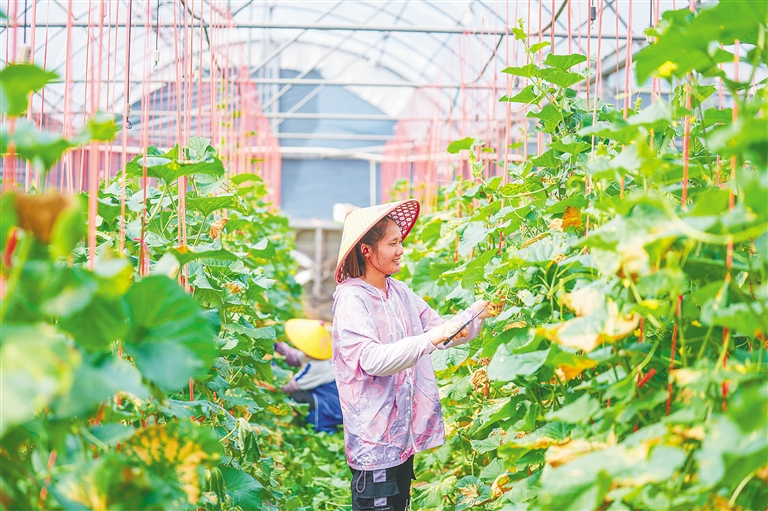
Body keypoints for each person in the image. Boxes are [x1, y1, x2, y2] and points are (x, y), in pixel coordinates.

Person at [331, 199, 493, 511]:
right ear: (366, 251)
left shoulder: (400, 292)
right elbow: (371, 360)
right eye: (392, 243)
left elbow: (445, 333)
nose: (400, 250)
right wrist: (430, 338)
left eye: (400, 242)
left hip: (402, 438)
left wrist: (477, 313)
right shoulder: (353, 299)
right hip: (374, 441)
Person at [274, 318, 343, 433]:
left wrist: (273, 370)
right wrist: (278, 347)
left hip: (331, 406)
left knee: (297, 397)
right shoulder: (318, 355)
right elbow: (295, 357)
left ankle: (320, 426)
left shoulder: (315, 366)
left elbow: (289, 385)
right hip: (332, 399)